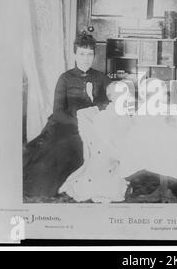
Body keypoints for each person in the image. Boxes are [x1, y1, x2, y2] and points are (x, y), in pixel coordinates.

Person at [23, 32, 111, 198]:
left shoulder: (101, 78)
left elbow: (110, 102)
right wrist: (78, 122)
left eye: (90, 54)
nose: (86, 58)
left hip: (92, 127)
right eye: (82, 54)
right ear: (75, 54)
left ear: (94, 55)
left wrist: (96, 113)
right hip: (66, 125)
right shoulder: (65, 78)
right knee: (59, 149)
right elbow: (58, 111)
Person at [58, 81, 132, 203]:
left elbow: (127, 131)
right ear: (112, 97)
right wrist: (119, 149)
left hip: (115, 146)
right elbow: (104, 138)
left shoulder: (124, 113)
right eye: (120, 93)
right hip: (105, 149)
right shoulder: (105, 116)